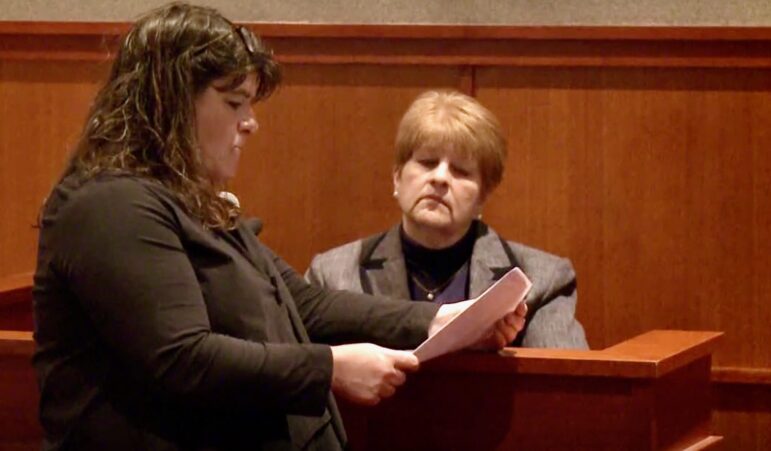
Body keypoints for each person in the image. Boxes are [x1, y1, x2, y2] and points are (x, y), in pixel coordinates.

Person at [31, 4, 526, 450]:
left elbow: (302, 303)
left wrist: (438, 322)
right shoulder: (109, 204)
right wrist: (330, 368)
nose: (250, 122)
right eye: (233, 103)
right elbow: (181, 357)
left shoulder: (186, 200)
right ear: (171, 100)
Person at [307, 90, 588, 349]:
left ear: (483, 195)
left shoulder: (541, 280)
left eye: (461, 171)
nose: (439, 178)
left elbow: (564, 392)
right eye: (427, 162)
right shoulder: (334, 275)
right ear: (397, 177)